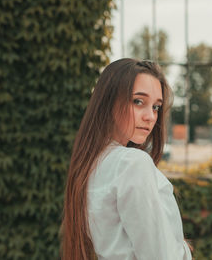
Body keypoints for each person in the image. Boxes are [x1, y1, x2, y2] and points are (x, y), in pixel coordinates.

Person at [61, 59, 192, 260]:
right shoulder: (131, 163)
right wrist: (181, 248)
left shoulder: (89, 165)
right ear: (109, 101)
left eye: (156, 106)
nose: (150, 116)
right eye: (138, 101)